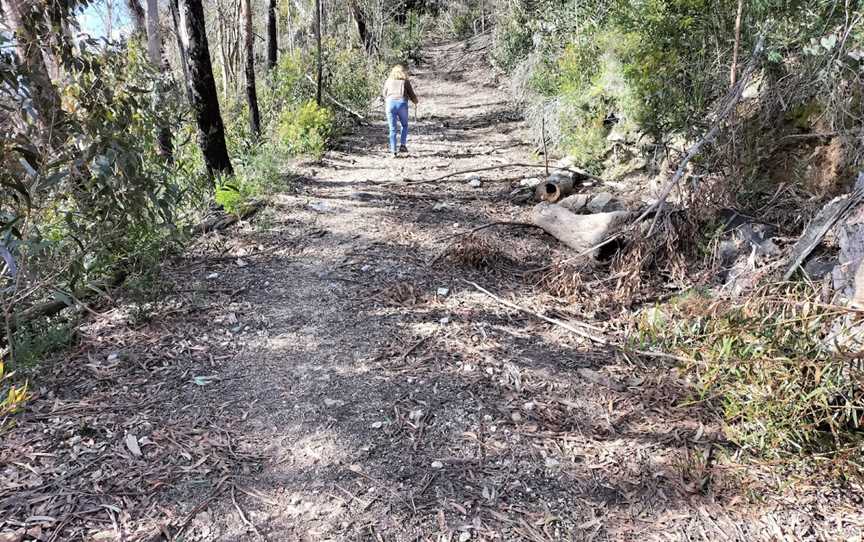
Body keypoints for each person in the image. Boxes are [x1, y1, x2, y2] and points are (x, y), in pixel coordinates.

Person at [382, 63, 419, 158]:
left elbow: (384, 94)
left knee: (392, 129)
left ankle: (393, 151)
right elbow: (412, 95)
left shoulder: (388, 81)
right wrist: (415, 101)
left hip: (390, 104)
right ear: (403, 72)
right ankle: (402, 145)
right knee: (404, 125)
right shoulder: (405, 81)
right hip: (402, 104)